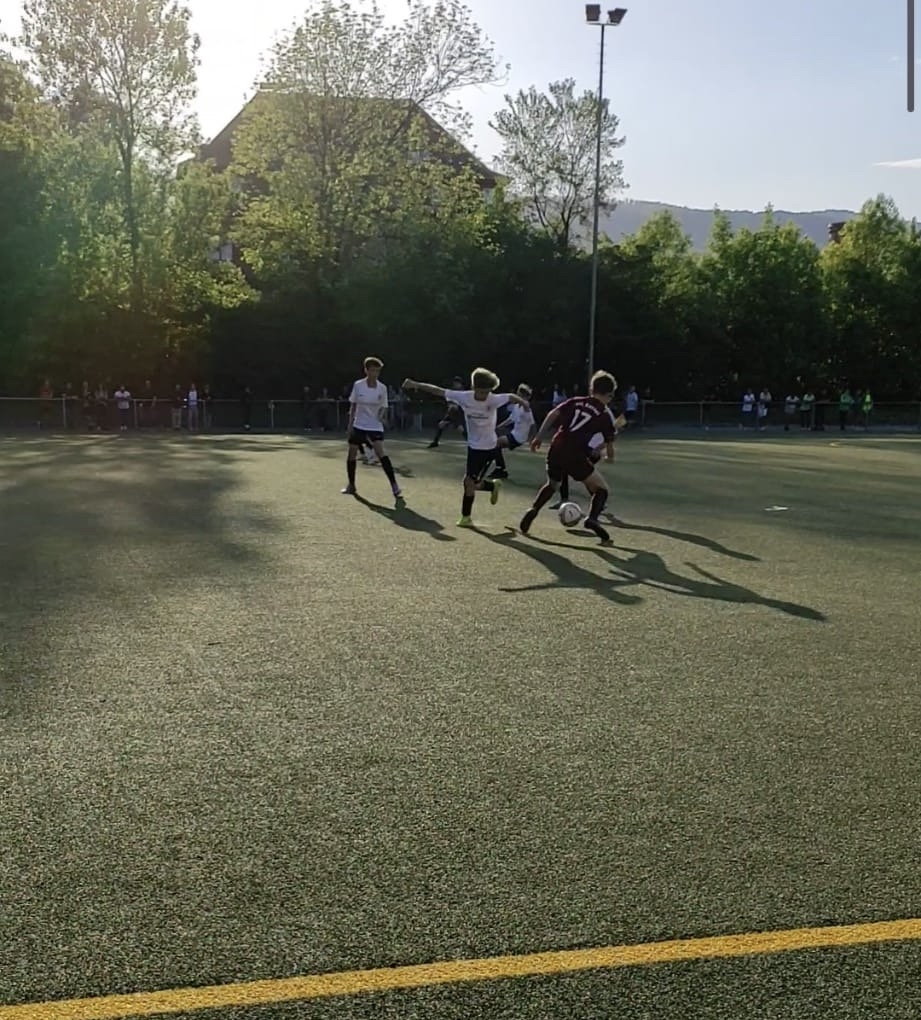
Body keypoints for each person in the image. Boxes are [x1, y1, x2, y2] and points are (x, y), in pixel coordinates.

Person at [402, 368, 530, 526]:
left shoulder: (494, 399)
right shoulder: (464, 397)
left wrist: (524, 403)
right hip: (473, 447)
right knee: (471, 483)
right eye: (481, 392)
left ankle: (466, 517)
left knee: (469, 482)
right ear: (474, 387)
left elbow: (511, 396)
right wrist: (416, 384)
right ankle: (492, 486)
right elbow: (438, 391)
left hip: (489, 447)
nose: (484, 396)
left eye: (487, 392)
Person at [519, 371, 618, 544]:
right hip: (575, 452)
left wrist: (539, 436)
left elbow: (553, 414)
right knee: (602, 489)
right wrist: (610, 457)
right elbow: (610, 443)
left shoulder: (575, 401)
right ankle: (592, 519)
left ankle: (533, 509)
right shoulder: (603, 414)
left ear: (591, 389)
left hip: (556, 446)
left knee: (553, 484)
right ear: (609, 395)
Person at [550, 404, 626, 524]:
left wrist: (599, 448)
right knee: (569, 471)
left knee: (586, 477)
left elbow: (612, 436)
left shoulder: (605, 413)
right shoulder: (592, 408)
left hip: (591, 450)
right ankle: (566, 499)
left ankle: (597, 502)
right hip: (583, 448)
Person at [342, 357, 403, 502]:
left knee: (380, 452)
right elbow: (353, 405)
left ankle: (394, 486)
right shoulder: (358, 385)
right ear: (366, 370)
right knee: (352, 454)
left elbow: (384, 407)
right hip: (359, 424)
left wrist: (382, 416)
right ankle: (351, 485)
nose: (375, 374)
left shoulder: (382, 388)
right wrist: (350, 425)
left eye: (377, 371)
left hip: (375, 425)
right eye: (373, 370)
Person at [490, 383, 535, 479]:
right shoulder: (516, 407)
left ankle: (500, 469)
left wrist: (533, 439)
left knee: (496, 443)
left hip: (519, 437)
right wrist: (498, 427)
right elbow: (510, 419)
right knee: (495, 446)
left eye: (519, 394)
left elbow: (532, 425)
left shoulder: (526, 409)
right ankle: (500, 469)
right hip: (514, 434)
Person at [427, 376, 467, 448]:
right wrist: (450, 404)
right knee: (441, 424)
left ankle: (471, 443)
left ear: (460, 384)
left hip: (458, 412)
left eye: (457, 383)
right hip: (451, 411)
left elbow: (462, 402)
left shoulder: (462, 392)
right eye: (455, 383)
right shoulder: (452, 390)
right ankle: (435, 442)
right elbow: (448, 399)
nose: (455, 384)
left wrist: (456, 405)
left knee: (460, 428)